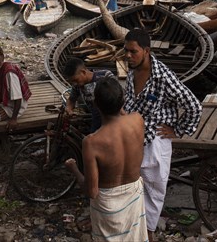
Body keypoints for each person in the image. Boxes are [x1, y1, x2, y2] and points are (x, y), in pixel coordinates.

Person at [123, 28, 202, 241]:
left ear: (146, 51)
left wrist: (177, 130)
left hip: (154, 142)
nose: (128, 56)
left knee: (155, 189)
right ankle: (135, 226)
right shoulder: (132, 70)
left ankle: (148, 232)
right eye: (126, 51)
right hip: (132, 139)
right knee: (135, 186)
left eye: (133, 51)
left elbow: (193, 105)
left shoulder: (163, 77)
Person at [65, 77, 147, 242]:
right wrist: (119, 105)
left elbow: (92, 192)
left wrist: (74, 168)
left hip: (107, 205)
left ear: (95, 105)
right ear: (123, 100)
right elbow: (122, 117)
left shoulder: (92, 142)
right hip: (134, 195)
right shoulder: (137, 120)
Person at [63, 58, 114, 132]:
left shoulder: (105, 76)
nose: (74, 84)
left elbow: (119, 97)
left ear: (83, 72)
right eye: (72, 82)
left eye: (75, 80)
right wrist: (68, 108)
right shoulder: (77, 86)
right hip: (95, 118)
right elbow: (71, 99)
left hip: (111, 118)